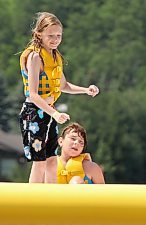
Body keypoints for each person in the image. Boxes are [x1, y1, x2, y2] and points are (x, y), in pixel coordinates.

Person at [19, 12, 100, 183]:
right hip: (34, 114)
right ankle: (34, 200)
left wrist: (86, 90)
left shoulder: (55, 57)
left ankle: (52, 200)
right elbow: (33, 94)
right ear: (39, 34)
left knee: (51, 160)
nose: (55, 39)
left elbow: (64, 85)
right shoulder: (35, 57)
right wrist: (55, 113)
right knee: (39, 161)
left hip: (49, 113)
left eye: (58, 36)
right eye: (51, 36)